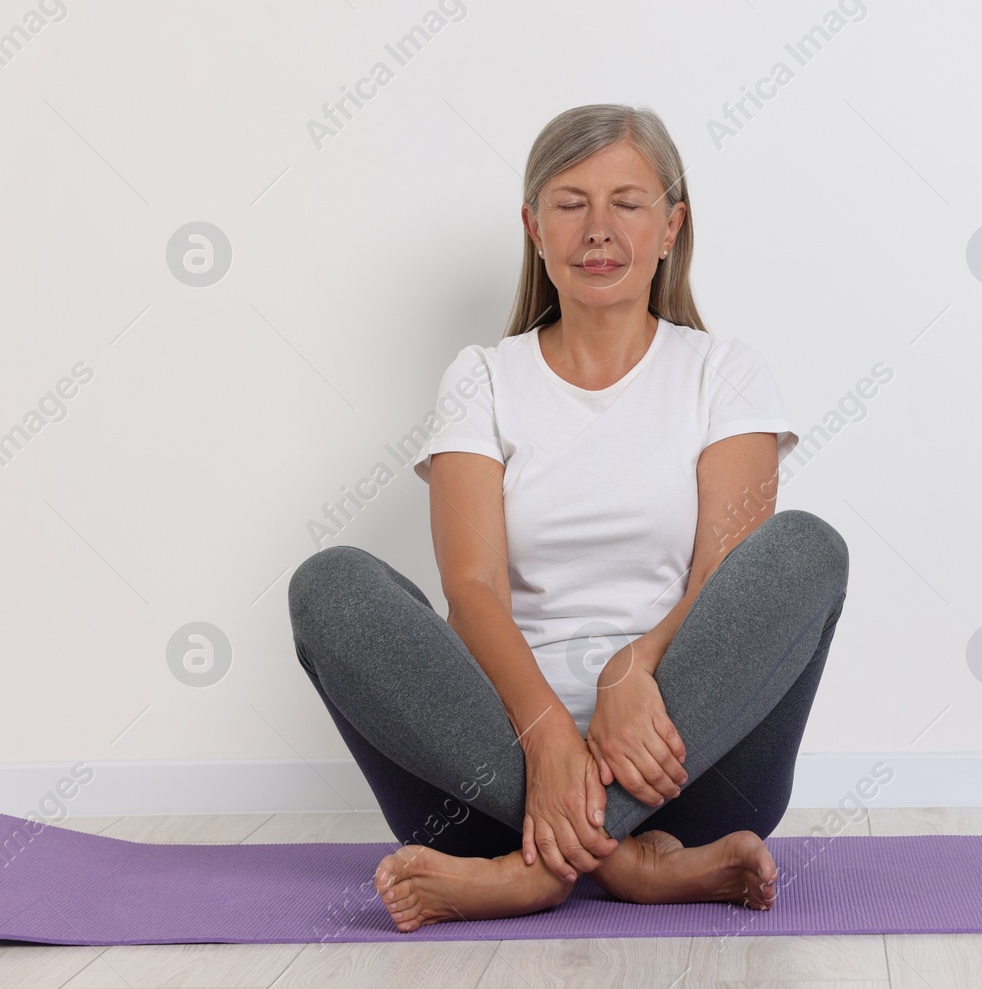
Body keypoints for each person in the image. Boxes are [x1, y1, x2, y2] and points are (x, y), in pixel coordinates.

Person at [286, 103, 849, 931]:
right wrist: (550, 737)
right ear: (533, 228)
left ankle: (533, 872)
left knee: (806, 548)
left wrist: (634, 668)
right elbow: (472, 589)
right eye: (570, 201)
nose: (598, 228)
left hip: (692, 771)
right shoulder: (482, 377)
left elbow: (721, 577)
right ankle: (629, 864)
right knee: (328, 584)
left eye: (628, 202)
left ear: (670, 228)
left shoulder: (723, 373)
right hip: (496, 773)